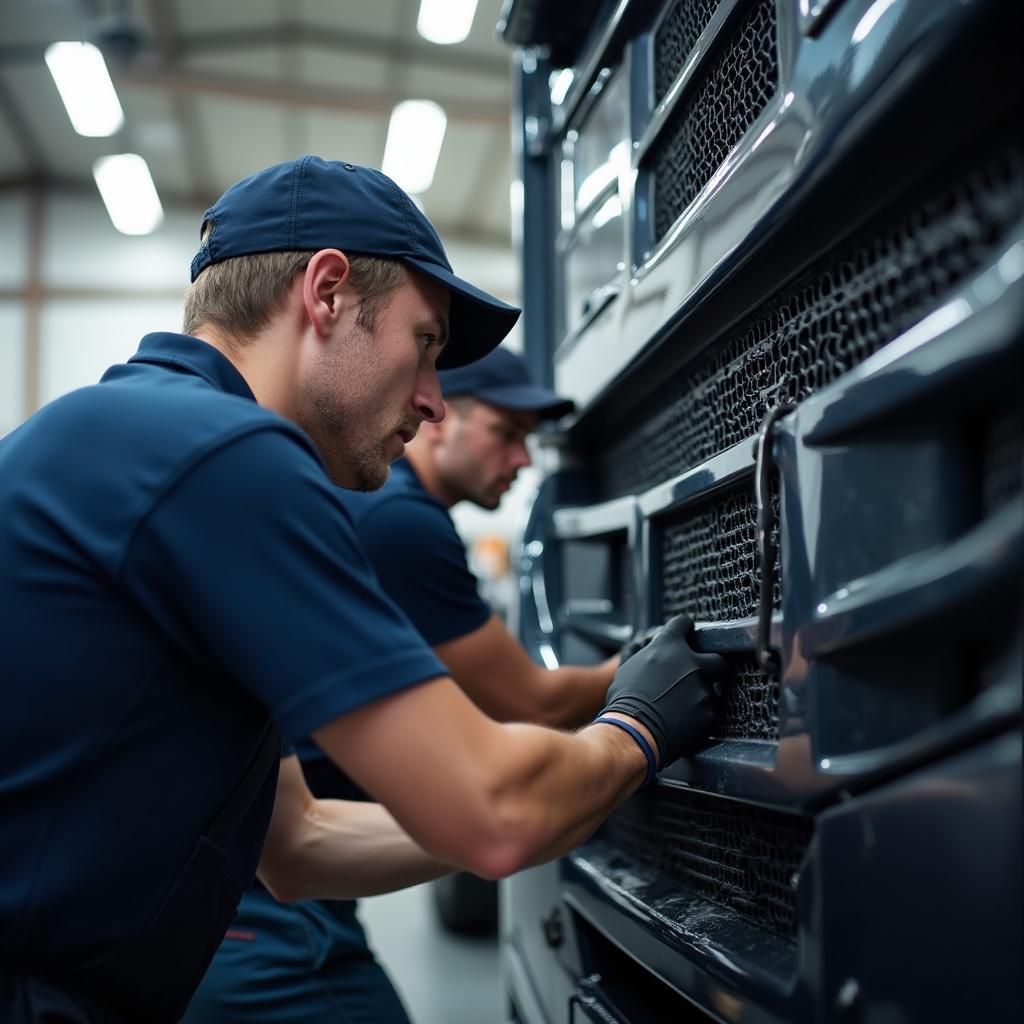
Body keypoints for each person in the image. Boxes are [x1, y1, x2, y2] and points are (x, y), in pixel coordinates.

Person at [0, 156, 724, 1024]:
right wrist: (638, 728)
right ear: (328, 292)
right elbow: (494, 809)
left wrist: (557, 804)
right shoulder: (222, 456)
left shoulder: (134, 433)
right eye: (425, 344)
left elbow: (299, 845)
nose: (433, 403)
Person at [189, 349, 618, 1023]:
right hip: (271, 896)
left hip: (277, 864)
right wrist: (635, 683)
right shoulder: (401, 523)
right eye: (506, 435)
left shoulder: (390, 511)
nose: (524, 461)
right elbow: (531, 702)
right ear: (441, 421)